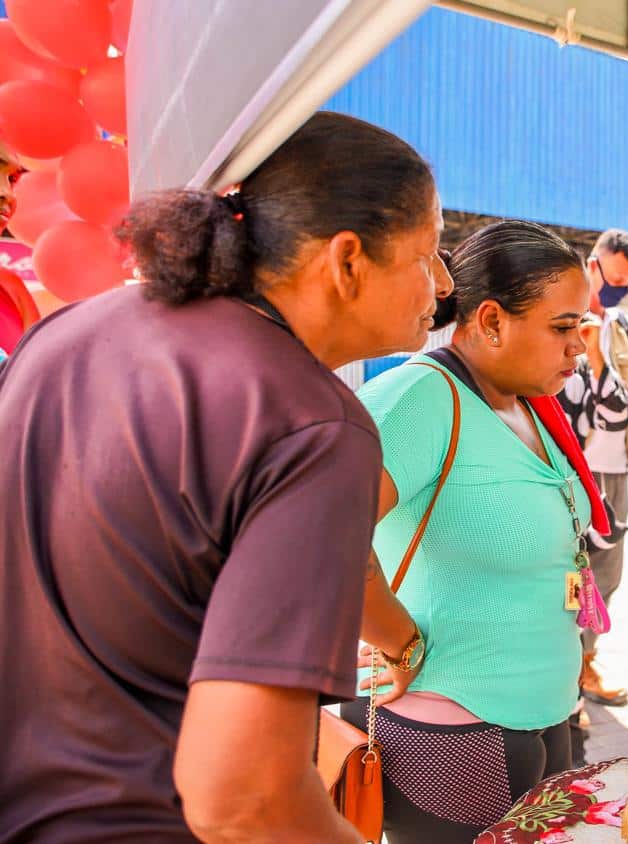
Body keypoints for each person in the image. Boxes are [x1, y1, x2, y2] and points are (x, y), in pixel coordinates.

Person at [0, 112, 451, 842]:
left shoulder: (65, 334)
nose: (442, 283)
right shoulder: (312, 423)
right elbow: (243, 799)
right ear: (347, 261)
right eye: (427, 255)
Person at [352, 219, 610, 843]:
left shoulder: (527, 403)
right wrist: (399, 641)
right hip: (451, 736)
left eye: (580, 325)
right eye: (562, 327)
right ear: (491, 321)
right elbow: (317, 541)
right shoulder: (418, 400)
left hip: (547, 714)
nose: (579, 347)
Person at [569, 228, 628, 707]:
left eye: (627, 285)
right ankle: (566, 674)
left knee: (607, 575)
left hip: (616, 467)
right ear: (592, 264)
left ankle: (585, 662)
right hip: (575, 467)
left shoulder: (625, 327)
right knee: (571, 575)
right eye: (613, 281)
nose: (617, 291)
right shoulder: (565, 318)